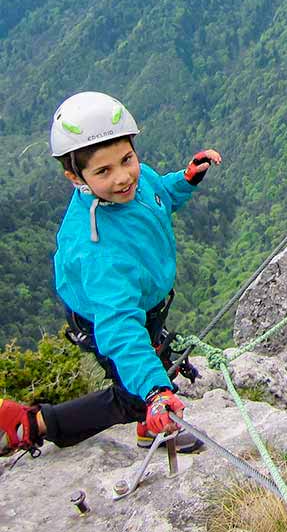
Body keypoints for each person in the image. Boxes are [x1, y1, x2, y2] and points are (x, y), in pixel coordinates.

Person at [0, 91, 221, 458]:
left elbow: (158, 195)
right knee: (133, 394)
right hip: (104, 312)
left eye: (127, 159)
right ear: (76, 176)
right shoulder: (98, 250)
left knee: (155, 353)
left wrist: (186, 180)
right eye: (103, 171)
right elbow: (119, 327)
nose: (123, 178)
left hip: (143, 299)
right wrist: (155, 393)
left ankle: (151, 426)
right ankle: (37, 422)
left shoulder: (138, 182)